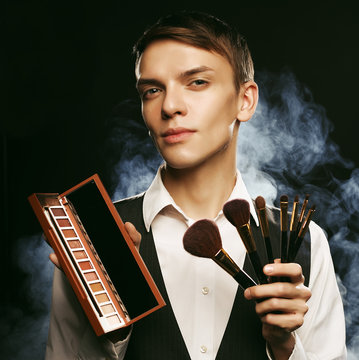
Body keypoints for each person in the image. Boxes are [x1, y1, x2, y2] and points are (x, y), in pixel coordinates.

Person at [45, 11, 346, 359]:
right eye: (153, 90)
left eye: (197, 82)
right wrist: (113, 323)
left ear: (244, 100)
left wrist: (283, 347)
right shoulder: (93, 239)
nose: (170, 106)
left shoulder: (305, 242)